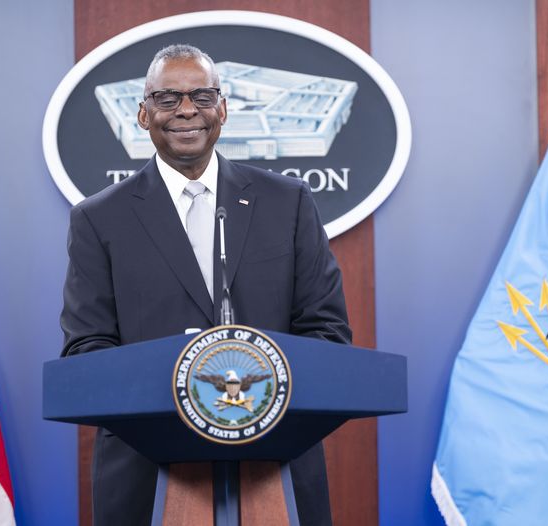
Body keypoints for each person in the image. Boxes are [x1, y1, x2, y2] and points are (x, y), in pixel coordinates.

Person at [60, 44, 351, 526]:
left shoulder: (288, 203)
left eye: (202, 95)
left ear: (223, 109)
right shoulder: (98, 219)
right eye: (168, 99)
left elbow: (328, 334)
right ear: (142, 113)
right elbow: (87, 349)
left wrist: (258, 398)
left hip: (273, 467)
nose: (187, 110)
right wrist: (182, 392)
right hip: (146, 474)